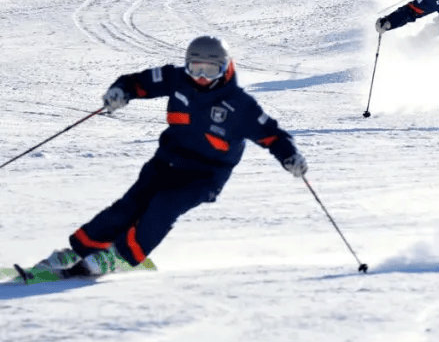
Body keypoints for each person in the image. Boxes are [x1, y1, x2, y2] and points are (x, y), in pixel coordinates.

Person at [32, 36, 308, 278]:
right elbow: (137, 82)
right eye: (195, 68)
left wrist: (290, 156)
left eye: (210, 70)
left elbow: (273, 135)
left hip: (205, 175)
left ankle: (119, 257)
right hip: (166, 162)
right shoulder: (176, 79)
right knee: (128, 206)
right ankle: (79, 250)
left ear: (224, 69)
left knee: (163, 207)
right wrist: (120, 92)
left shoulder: (240, 105)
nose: (201, 77)